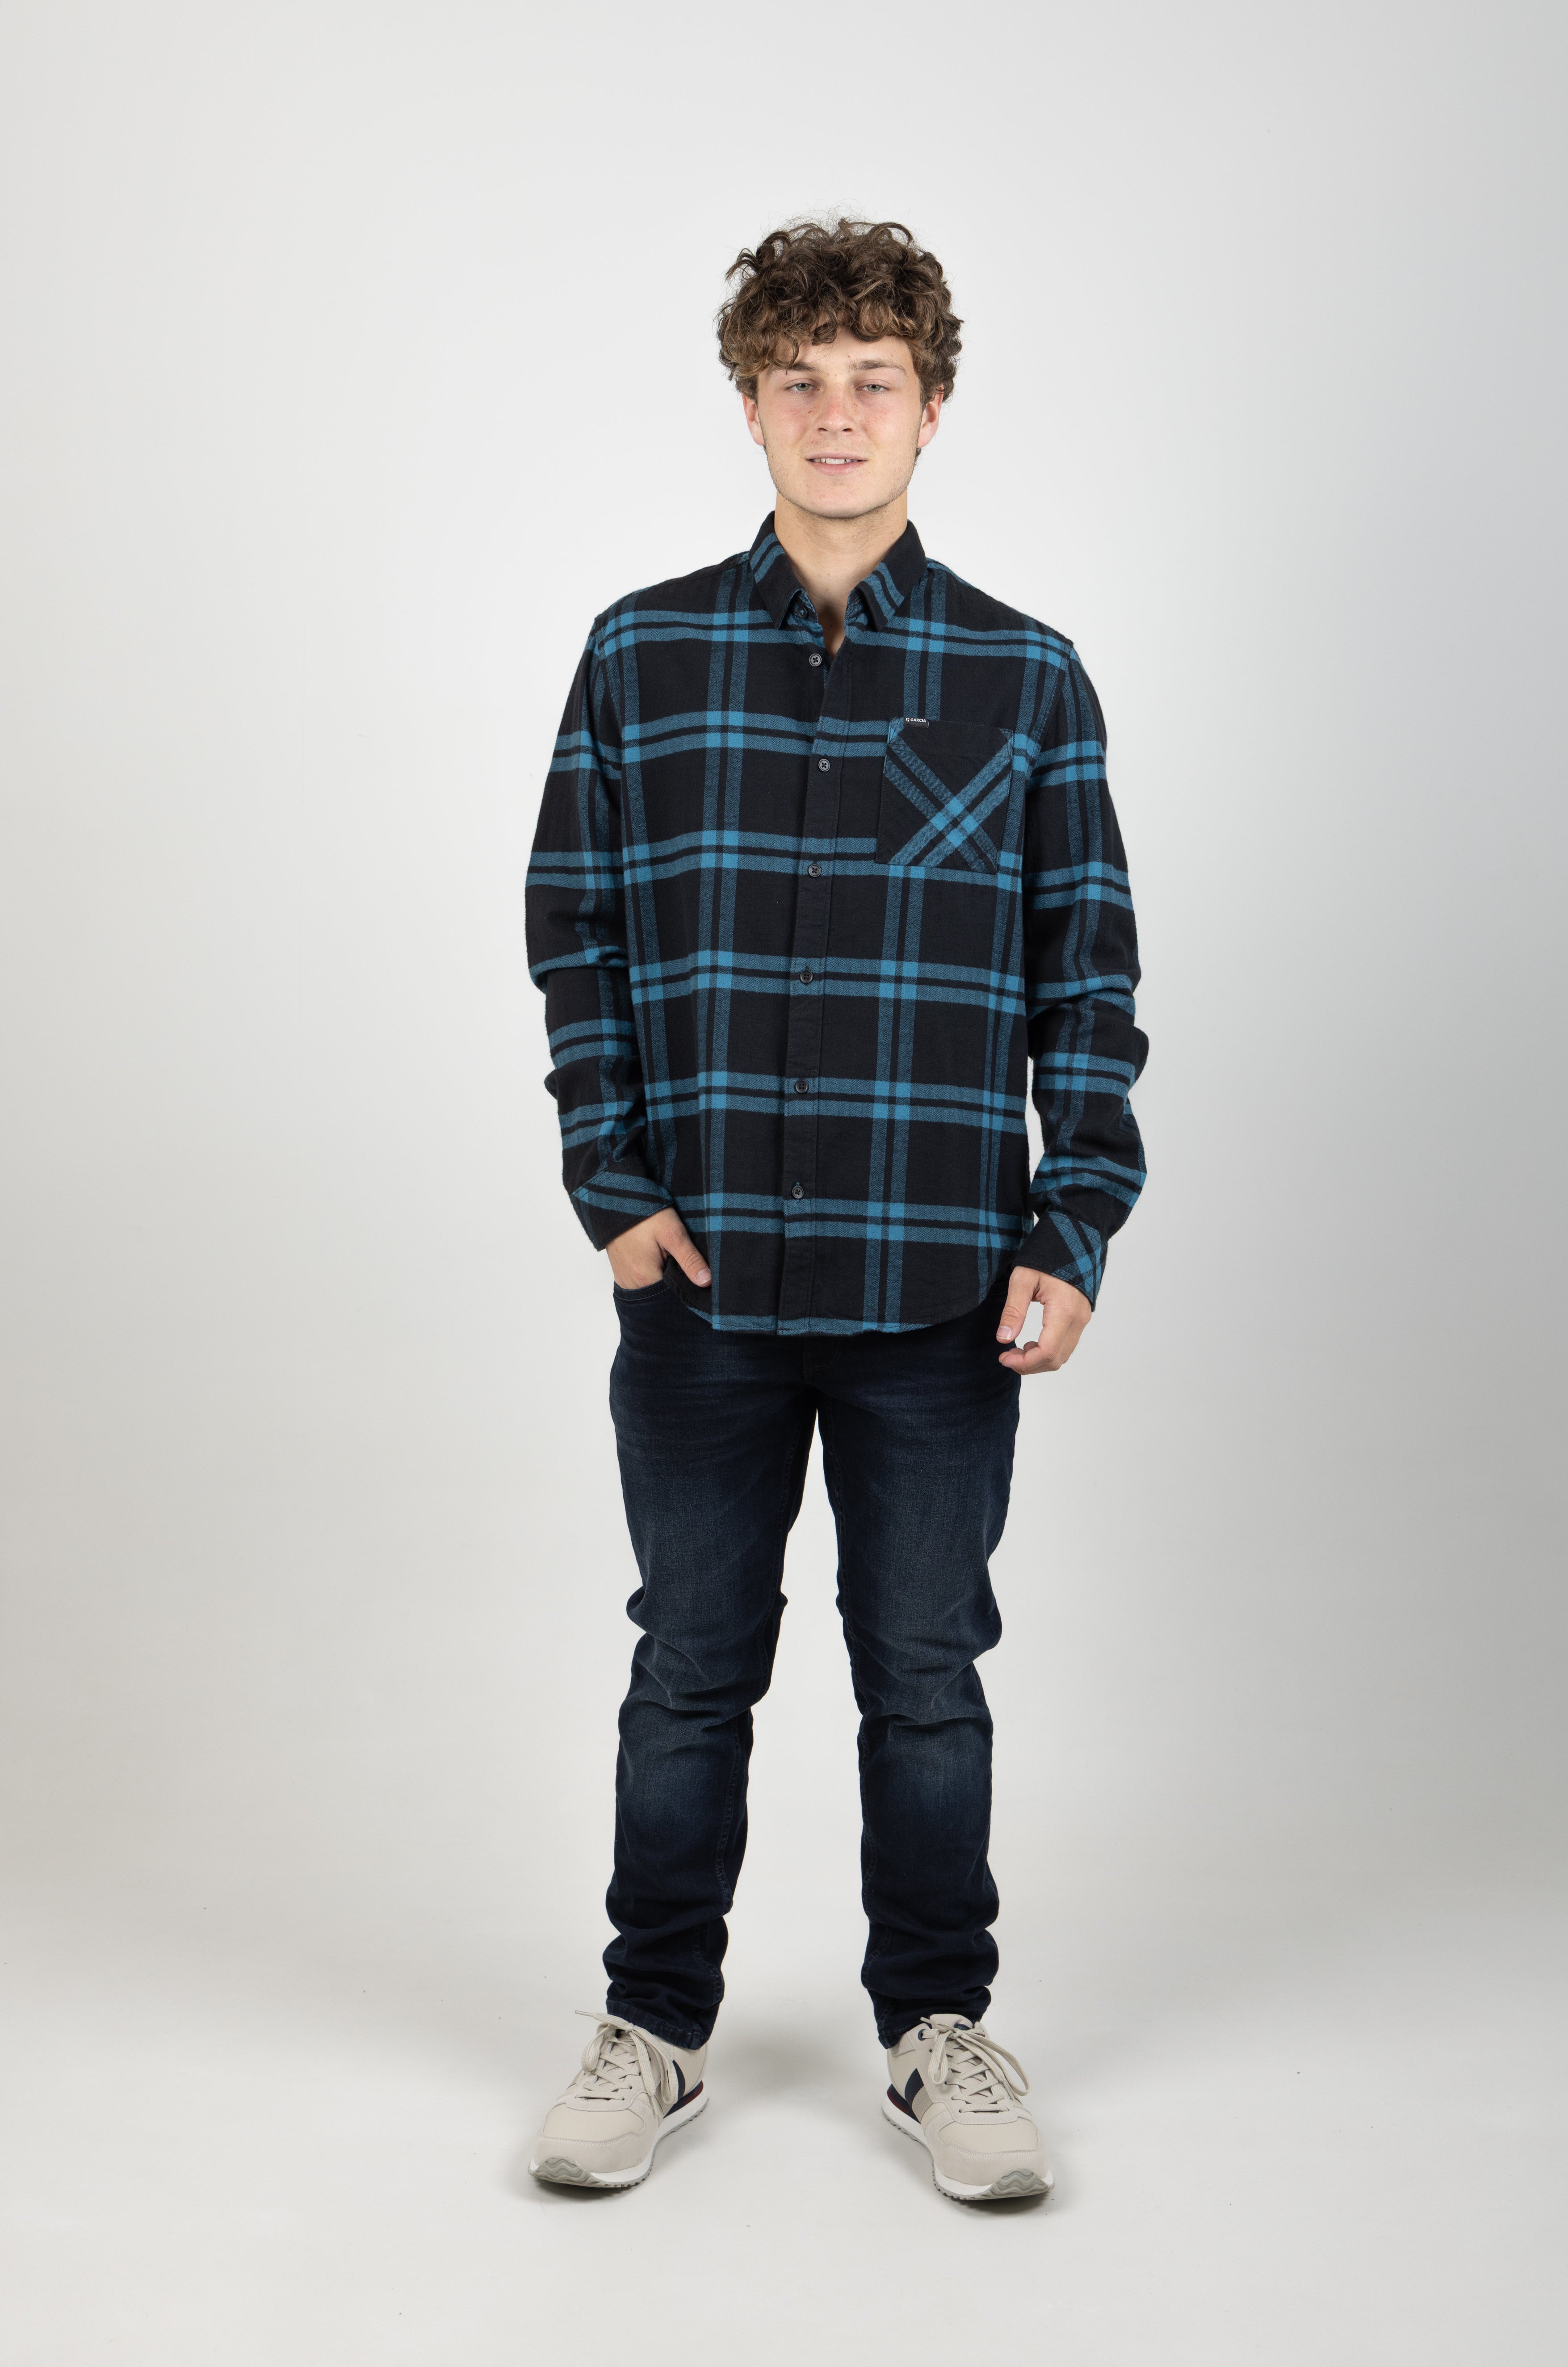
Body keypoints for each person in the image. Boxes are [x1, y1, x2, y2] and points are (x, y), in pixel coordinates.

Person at [523, 218, 1148, 2203]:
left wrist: (1072, 1225)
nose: (835, 414)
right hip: (699, 1283)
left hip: (937, 1286)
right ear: (749, 406)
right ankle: (651, 2026)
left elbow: (1087, 981)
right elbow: (575, 934)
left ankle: (938, 2027)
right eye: (797, 379)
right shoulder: (640, 655)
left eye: (872, 379)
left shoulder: (1025, 676)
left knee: (924, 1673)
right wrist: (614, 1187)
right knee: (688, 1666)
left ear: (931, 407)